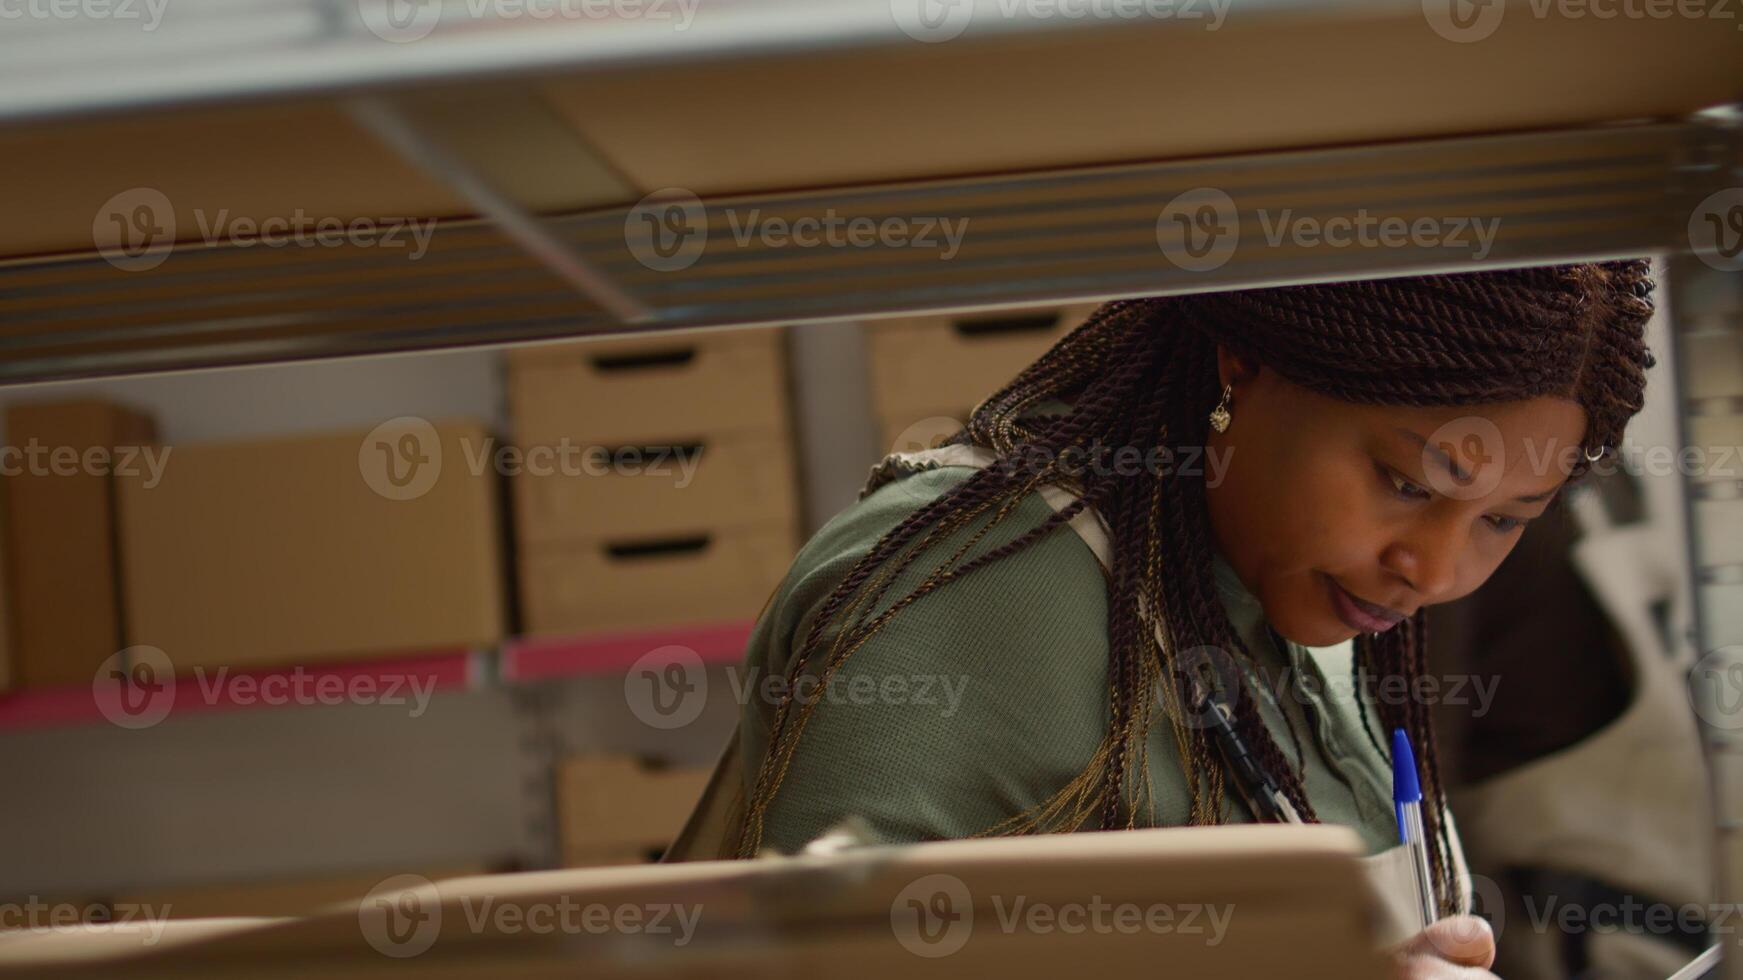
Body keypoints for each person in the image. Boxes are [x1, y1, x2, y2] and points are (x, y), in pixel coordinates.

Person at [669, 261, 1658, 978]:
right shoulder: (978, 584)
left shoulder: (1299, 607)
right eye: (1403, 481)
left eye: (1502, 520)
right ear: (1243, 361)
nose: (1438, 568)